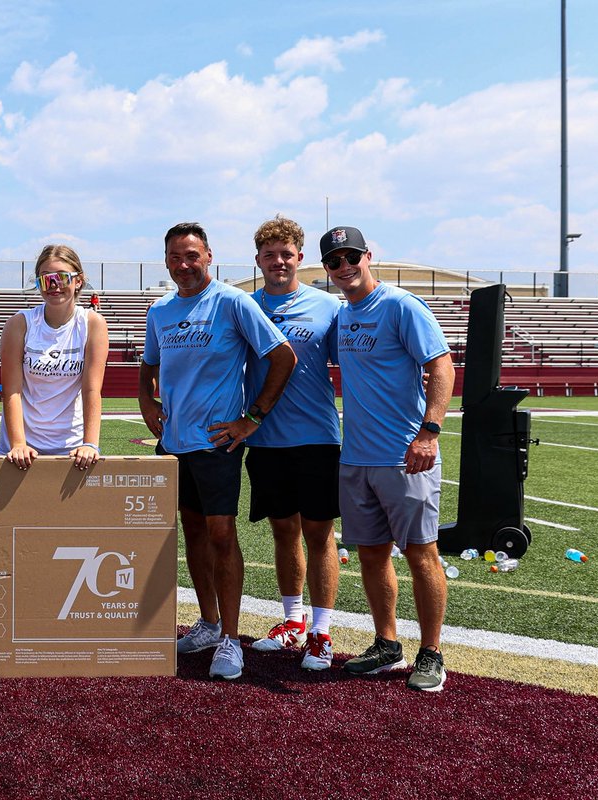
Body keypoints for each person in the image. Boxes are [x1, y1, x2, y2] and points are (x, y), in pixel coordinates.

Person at [138, 222, 296, 681]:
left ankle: (231, 638)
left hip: (217, 443)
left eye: (192, 256)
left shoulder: (232, 301)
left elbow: (282, 356)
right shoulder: (160, 310)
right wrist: (148, 401)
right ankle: (207, 624)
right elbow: (149, 364)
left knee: (222, 536)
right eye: (175, 257)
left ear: (209, 256)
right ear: (166, 261)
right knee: (191, 533)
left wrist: (254, 417)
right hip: (173, 444)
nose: (184, 265)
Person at [322, 225, 455, 693]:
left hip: (406, 457)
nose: (344, 266)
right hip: (356, 457)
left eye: (351, 256)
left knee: (421, 554)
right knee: (372, 555)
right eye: (335, 261)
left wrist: (429, 432)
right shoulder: (342, 317)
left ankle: (433, 652)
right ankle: (386, 643)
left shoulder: (400, 305)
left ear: (367, 255)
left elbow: (441, 366)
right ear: (327, 269)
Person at [243, 217, 342, 671]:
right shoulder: (245, 306)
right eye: (270, 255)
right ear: (258, 260)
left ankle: (321, 632)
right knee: (283, 530)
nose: (279, 262)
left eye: (287, 254)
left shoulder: (327, 306)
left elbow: (355, 359)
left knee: (319, 534)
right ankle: (292, 621)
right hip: (264, 439)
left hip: (317, 436)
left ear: (299, 257)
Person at [0, 245, 108, 471]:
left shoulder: (92, 324)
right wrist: (18, 443)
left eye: (62, 277)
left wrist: (90, 444)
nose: (54, 286)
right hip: (23, 447)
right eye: (46, 279)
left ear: (78, 281)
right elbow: (12, 391)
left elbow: (91, 390)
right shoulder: (19, 324)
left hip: (72, 447)